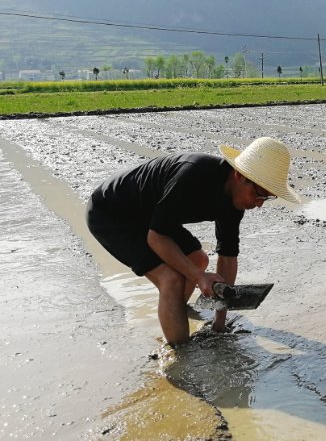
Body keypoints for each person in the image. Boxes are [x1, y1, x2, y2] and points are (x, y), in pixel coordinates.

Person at [86, 137, 301, 346]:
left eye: (267, 198)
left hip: (150, 214)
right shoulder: (193, 175)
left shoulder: (234, 203)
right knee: (171, 279)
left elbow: (227, 257)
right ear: (239, 175)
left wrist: (219, 322)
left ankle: (173, 309)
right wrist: (198, 277)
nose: (259, 204)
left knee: (197, 259)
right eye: (259, 193)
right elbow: (157, 236)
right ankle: (178, 354)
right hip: (111, 213)